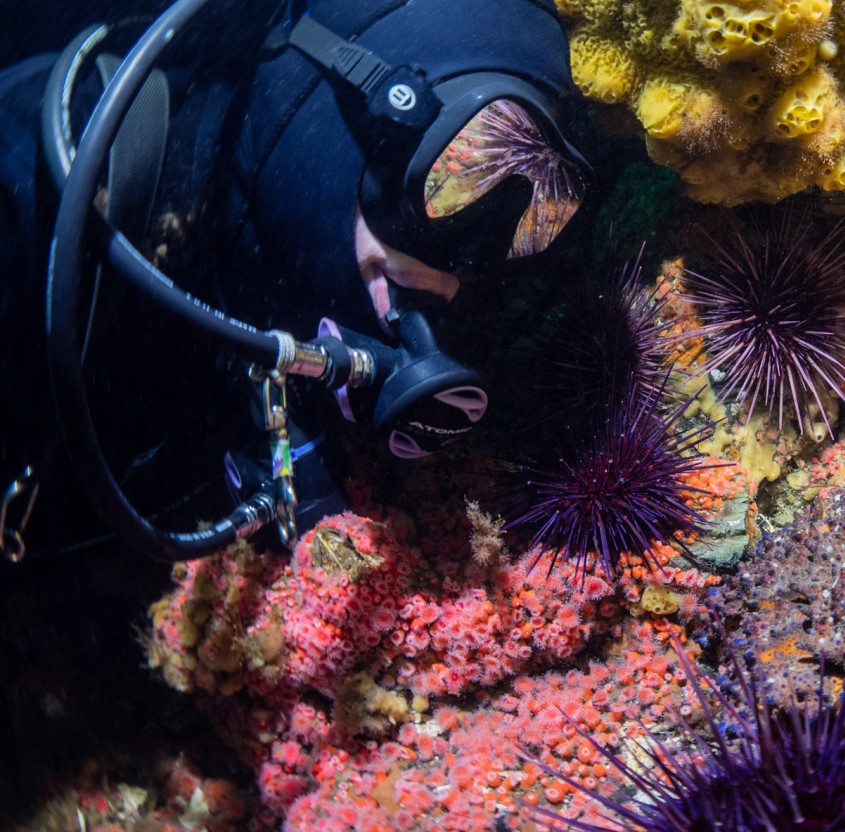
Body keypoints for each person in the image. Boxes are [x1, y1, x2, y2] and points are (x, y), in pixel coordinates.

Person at [0, 0, 591, 566]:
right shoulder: (33, 182)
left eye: (540, 207)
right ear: (345, 94)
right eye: (456, 176)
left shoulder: (306, 271)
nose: (463, 263)